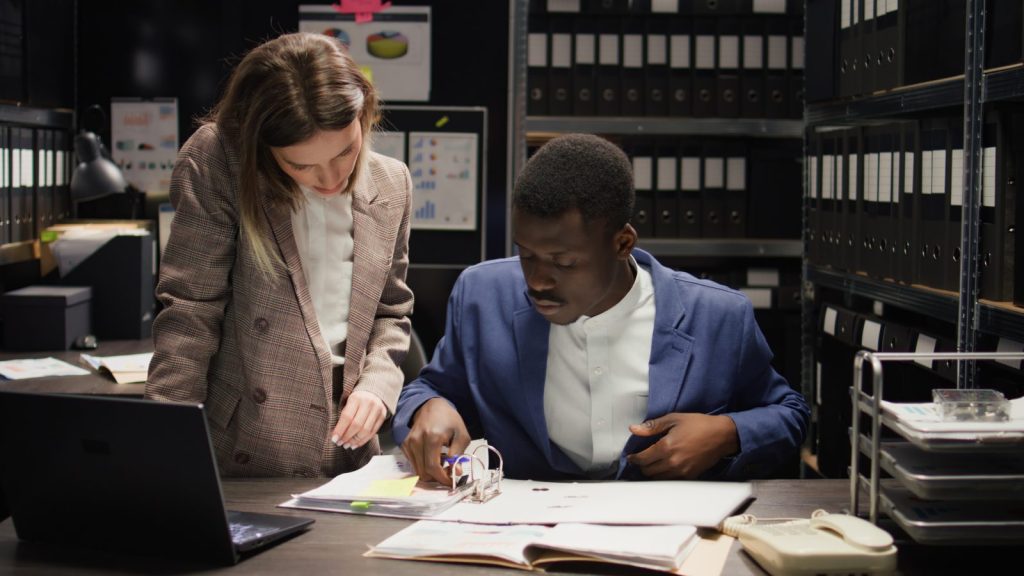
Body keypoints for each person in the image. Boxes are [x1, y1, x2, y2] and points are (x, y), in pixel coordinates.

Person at [394, 133, 809, 483]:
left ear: (622, 244)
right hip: (525, 535)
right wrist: (431, 407)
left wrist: (727, 432)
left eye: (564, 263)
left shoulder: (718, 316)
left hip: (666, 539)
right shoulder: (483, 296)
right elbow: (430, 388)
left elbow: (790, 415)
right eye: (526, 256)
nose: (537, 280)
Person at [146, 32, 414, 478]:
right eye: (301, 165)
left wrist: (378, 386)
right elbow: (191, 311)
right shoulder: (218, 161)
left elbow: (392, 310)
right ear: (261, 148)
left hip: (344, 444)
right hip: (243, 440)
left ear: (364, 115)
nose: (331, 179)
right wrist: (166, 441)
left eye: (346, 151)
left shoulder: (392, 183)